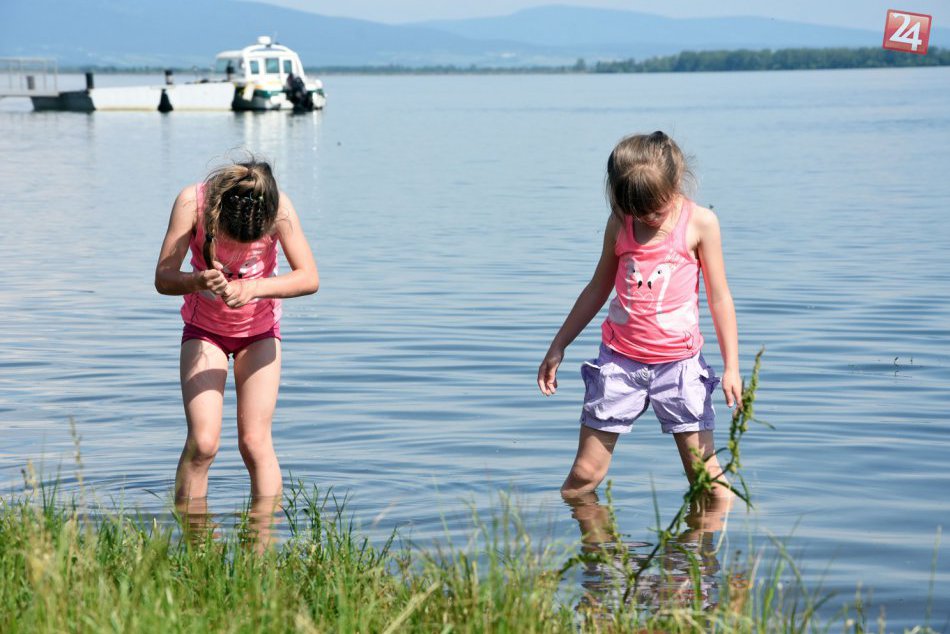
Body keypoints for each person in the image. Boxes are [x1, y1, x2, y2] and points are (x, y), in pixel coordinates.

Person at [537, 131, 741, 499]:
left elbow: (719, 297)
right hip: (620, 364)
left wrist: (732, 367)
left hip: (679, 368)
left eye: (656, 210)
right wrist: (558, 345)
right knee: (583, 477)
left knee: (707, 482)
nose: (647, 217)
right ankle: (580, 535)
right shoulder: (620, 223)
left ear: (675, 184)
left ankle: (722, 537)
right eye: (637, 210)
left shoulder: (700, 223)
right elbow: (598, 288)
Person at [154, 158, 319, 509]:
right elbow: (163, 278)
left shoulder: (279, 208)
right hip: (205, 332)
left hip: (259, 333)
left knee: (255, 443)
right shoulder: (191, 203)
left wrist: (253, 288)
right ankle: (194, 535)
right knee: (203, 443)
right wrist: (197, 280)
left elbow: (309, 277)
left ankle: (262, 537)